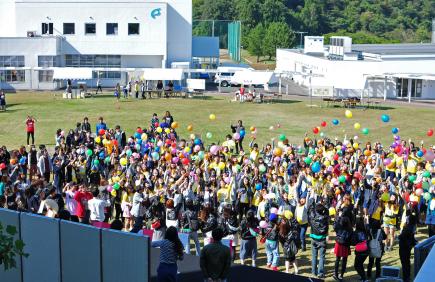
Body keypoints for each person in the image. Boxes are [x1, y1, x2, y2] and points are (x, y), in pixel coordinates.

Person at [308, 201, 329, 278]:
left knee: (314, 256)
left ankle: (314, 271)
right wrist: (324, 204)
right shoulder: (325, 217)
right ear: (322, 210)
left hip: (314, 238)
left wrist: (312, 199)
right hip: (322, 239)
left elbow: (310, 208)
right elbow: (327, 210)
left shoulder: (312, 217)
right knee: (322, 257)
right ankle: (320, 273)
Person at [333, 215, 352, 281]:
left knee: (337, 259)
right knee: (344, 260)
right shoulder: (350, 229)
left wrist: (337, 218)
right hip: (345, 245)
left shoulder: (338, 226)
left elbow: (334, 226)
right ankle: (341, 275)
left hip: (339, 243)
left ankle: (335, 273)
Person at [399, 213, 418, 282]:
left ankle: (406, 278)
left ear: (409, 220)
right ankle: (407, 277)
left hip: (404, 248)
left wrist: (399, 236)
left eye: (408, 218)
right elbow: (412, 238)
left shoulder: (407, 228)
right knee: (407, 263)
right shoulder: (412, 227)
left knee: (404, 264)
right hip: (408, 248)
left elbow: (401, 237)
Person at [352, 217, 370, 282]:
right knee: (360, 264)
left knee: (356, 265)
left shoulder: (356, 232)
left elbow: (353, 243)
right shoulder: (365, 230)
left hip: (360, 251)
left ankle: (364, 278)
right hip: (366, 250)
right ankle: (363, 277)